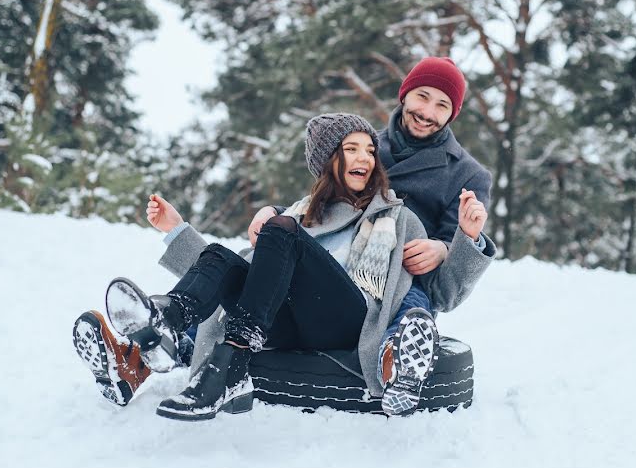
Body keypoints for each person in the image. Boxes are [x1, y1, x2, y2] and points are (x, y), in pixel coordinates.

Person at [74, 113, 493, 420]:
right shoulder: (300, 214)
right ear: (328, 160)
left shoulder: (398, 219)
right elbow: (244, 279)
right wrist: (176, 231)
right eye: (352, 149)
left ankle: (230, 358)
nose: (366, 156)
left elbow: (439, 294)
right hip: (288, 322)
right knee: (224, 255)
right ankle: (168, 316)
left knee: (282, 230)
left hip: (348, 321)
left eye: (370, 149)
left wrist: (466, 240)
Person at [247, 57, 492, 385]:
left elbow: (449, 281)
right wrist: (275, 213)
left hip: (401, 278)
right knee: (254, 270)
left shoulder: (468, 175)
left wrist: (447, 248)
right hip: (342, 264)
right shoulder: (364, 146)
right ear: (404, 94)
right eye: (422, 97)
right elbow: (324, 201)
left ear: (452, 113)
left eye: (442, 104)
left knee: (411, 303)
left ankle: (397, 362)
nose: (428, 112)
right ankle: (182, 336)